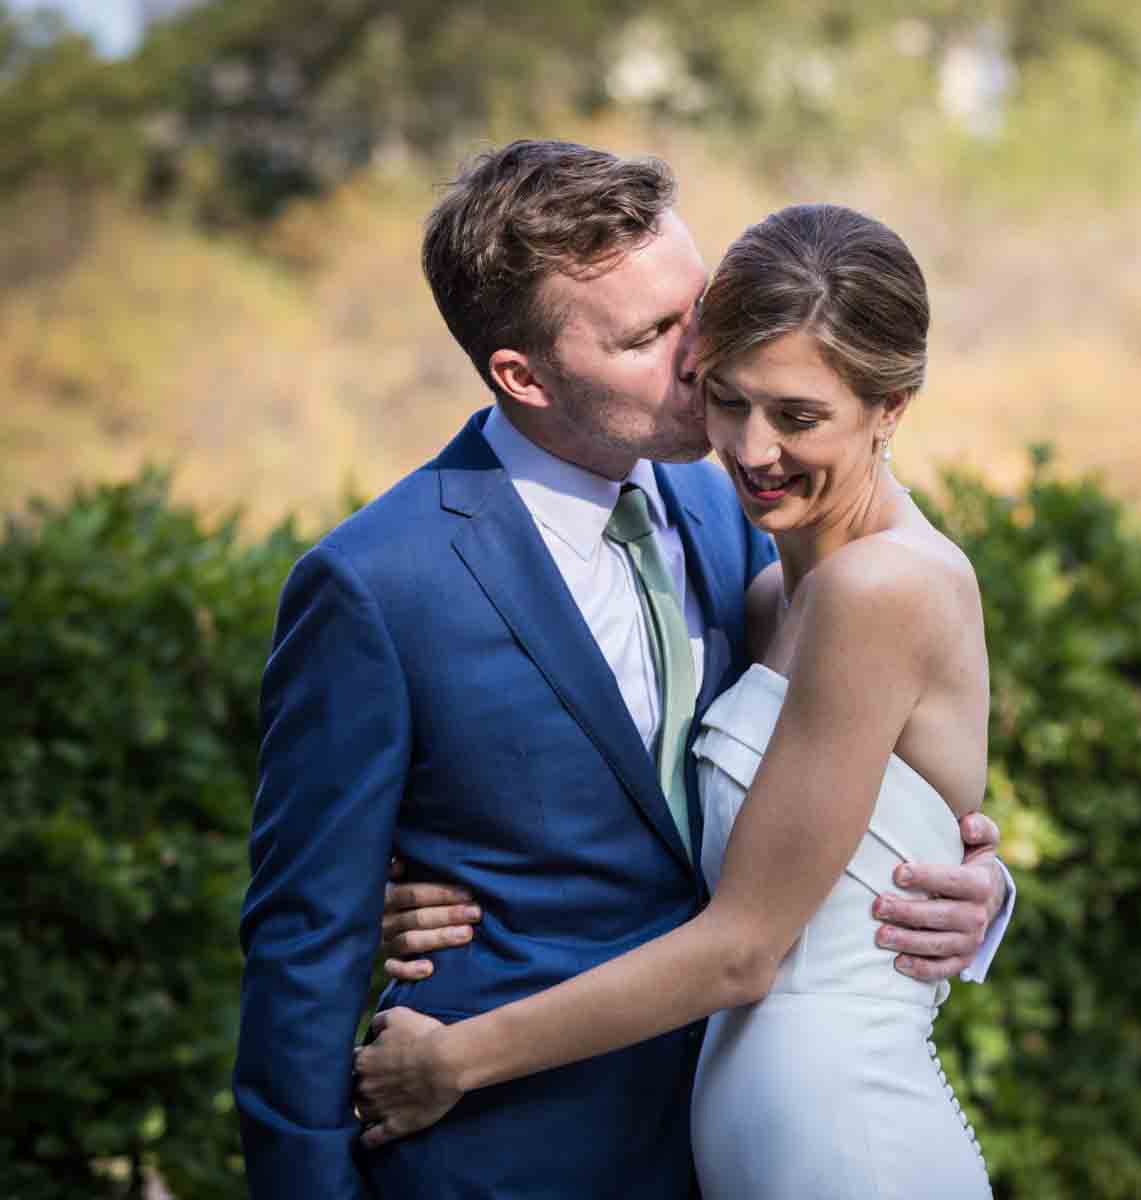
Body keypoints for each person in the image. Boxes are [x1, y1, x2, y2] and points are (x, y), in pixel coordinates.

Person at [233, 142, 1012, 1200]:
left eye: (696, 310)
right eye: (652, 336)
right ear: (523, 373)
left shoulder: (736, 513)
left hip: (743, 1141)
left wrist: (969, 885)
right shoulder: (379, 584)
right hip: (506, 1157)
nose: (704, 361)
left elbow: (854, 777)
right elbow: (301, 948)